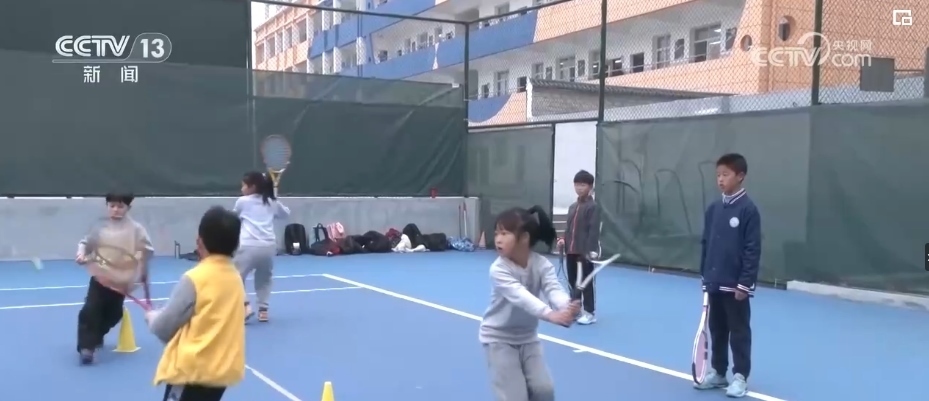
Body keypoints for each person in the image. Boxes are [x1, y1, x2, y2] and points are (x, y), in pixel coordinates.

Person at [479, 206, 580, 401]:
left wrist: (567, 306)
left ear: (524, 237)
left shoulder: (542, 264)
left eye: (504, 233)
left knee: (544, 391)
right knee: (515, 397)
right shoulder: (498, 269)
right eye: (497, 233)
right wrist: (551, 314)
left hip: (528, 339)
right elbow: (521, 296)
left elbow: (553, 290)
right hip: (498, 340)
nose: (498, 239)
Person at [146, 206, 246, 401]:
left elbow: (163, 327)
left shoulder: (195, 279)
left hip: (193, 374)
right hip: (221, 374)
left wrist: (152, 317)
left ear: (199, 241)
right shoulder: (235, 278)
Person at [694, 153, 761, 398]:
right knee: (717, 329)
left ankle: (740, 376)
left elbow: (752, 249)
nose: (720, 179)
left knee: (739, 331)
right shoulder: (714, 209)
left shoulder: (748, 210)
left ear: (740, 176)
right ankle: (719, 372)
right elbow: (706, 243)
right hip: (714, 283)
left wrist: (744, 283)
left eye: (725, 175)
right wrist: (705, 275)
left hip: (736, 287)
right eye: (718, 175)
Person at [75, 192, 154, 365]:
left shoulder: (137, 230)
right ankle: (87, 348)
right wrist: (81, 253)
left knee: (114, 314)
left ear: (128, 208)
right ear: (107, 206)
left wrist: (141, 268)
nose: (116, 209)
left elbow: (147, 251)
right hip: (100, 277)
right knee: (91, 309)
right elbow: (86, 243)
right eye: (112, 206)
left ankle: (96, 335)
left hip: (121, 281)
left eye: (120, 206)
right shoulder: (100, 227)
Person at [233, 171, 291, 322]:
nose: (241, 189)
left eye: (244, 185)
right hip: (268, 248)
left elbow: (233, 218)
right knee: (264, 279)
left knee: (235, 277)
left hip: (248, 247)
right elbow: (286, 214)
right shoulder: (271, 202)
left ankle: (245, 306)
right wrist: (274, 201)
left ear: (253, 187)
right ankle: (263, 310)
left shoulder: (242, 202)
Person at [559, 169, 600, 324]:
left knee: (585, 282)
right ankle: (575, 310)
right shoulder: (572, 207)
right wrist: (563, 240)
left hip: (584, 252)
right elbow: (568, 228)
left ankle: (589, 313)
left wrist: (589, 252)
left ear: (590, 187)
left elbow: (593, 231)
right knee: (573, 282)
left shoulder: (593, 207)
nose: (579, 188)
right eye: (577, 185)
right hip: (571, 251)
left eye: (583, 185)